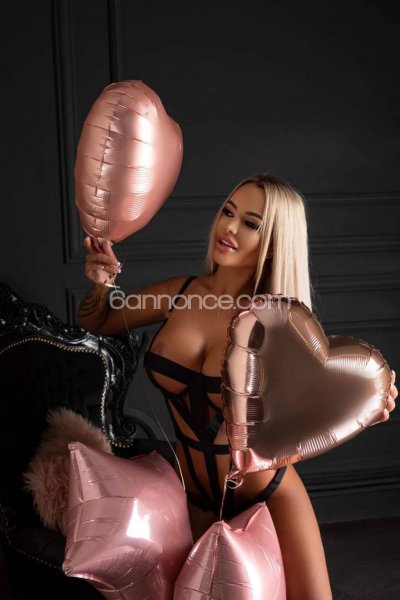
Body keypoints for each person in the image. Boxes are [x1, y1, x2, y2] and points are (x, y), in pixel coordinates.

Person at [76, 173, 397, 600]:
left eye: (250, 223)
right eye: (228, 212)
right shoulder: (180, 294)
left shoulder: (279, 329)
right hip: (189, 493)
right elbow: (97, 321)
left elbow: (317, 408)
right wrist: (101, 285)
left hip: (267, 494)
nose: (229, 227)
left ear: (274, 242)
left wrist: (368, 409)